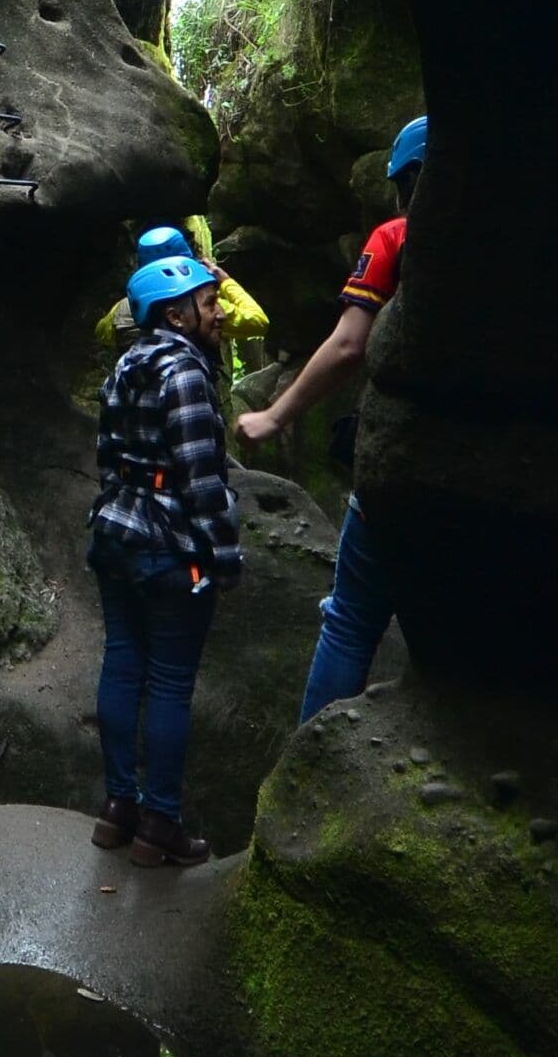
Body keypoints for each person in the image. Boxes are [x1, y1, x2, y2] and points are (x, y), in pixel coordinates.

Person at [236, 113, 426, 721]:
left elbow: (349, 345)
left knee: (348, 620)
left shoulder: (396, 238)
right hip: (496, 468)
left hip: (399, 464)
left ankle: (309, 759)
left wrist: (274, 415)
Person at [87, 252, 242, 866]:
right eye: (209, 303)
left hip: (116, 534)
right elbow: (202, 479)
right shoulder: (185, 374)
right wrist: (224, 558)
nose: (219, 311)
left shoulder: (127, 361)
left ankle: (118, 808)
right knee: (171, 684)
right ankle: (160, 826)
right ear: (175, 315)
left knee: (123, 666)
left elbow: (106, 456)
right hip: (167, 545)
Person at [93, 220, 268, 356]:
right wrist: (226, 281)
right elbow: (259, 321)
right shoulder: (202, 307)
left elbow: (102, 333)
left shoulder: (124, 308)